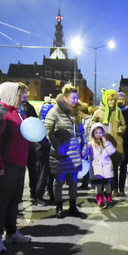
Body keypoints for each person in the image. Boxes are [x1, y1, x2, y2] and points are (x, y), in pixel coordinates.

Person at [0, 82, 33, 254]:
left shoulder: (18, 114)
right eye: (19, 94)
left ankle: (11, 232)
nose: (22, 98)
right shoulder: (0, 114)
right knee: (0, 202)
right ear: (10, 94)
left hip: (19, 165)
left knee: (14, 200)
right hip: (5, 166)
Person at [45, 85, 87, 219]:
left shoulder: (76, 113)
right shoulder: (55, 111)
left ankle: (73, 206)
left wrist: (84, 146)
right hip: (60, 153)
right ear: (65, 98)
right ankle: (59, 206)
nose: (75, 100)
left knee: (73, 181)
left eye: (77, 98)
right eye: (73, 98)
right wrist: (57, 146)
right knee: (59, 181)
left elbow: (81, 131)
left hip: (74, 152)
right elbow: (48, 131)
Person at [93, 89, 127, 197]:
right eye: (110, 100)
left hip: (115, 143)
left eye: (114, 100)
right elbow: (92, 124)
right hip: (103, 144)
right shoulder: (99, 112)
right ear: (105, 99)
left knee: (114, 166)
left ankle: (114, 189)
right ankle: (102, 189)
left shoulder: (118, 111)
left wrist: (121, 129)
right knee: (104, 167)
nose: (112, 102)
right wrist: (97, 131)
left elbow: (124, 124)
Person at [85, 122, 116, 208]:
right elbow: (86, 154)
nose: (98, 135)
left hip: (106, 168)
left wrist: (106, 143)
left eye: (100, 132)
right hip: (97, 169)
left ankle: (109, 199)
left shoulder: (106, 143)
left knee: (108, 186)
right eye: (96, 133)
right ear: (93, 134)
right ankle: (100, 200)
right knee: (98, 187)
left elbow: (112, 151)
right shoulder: (91, 144)